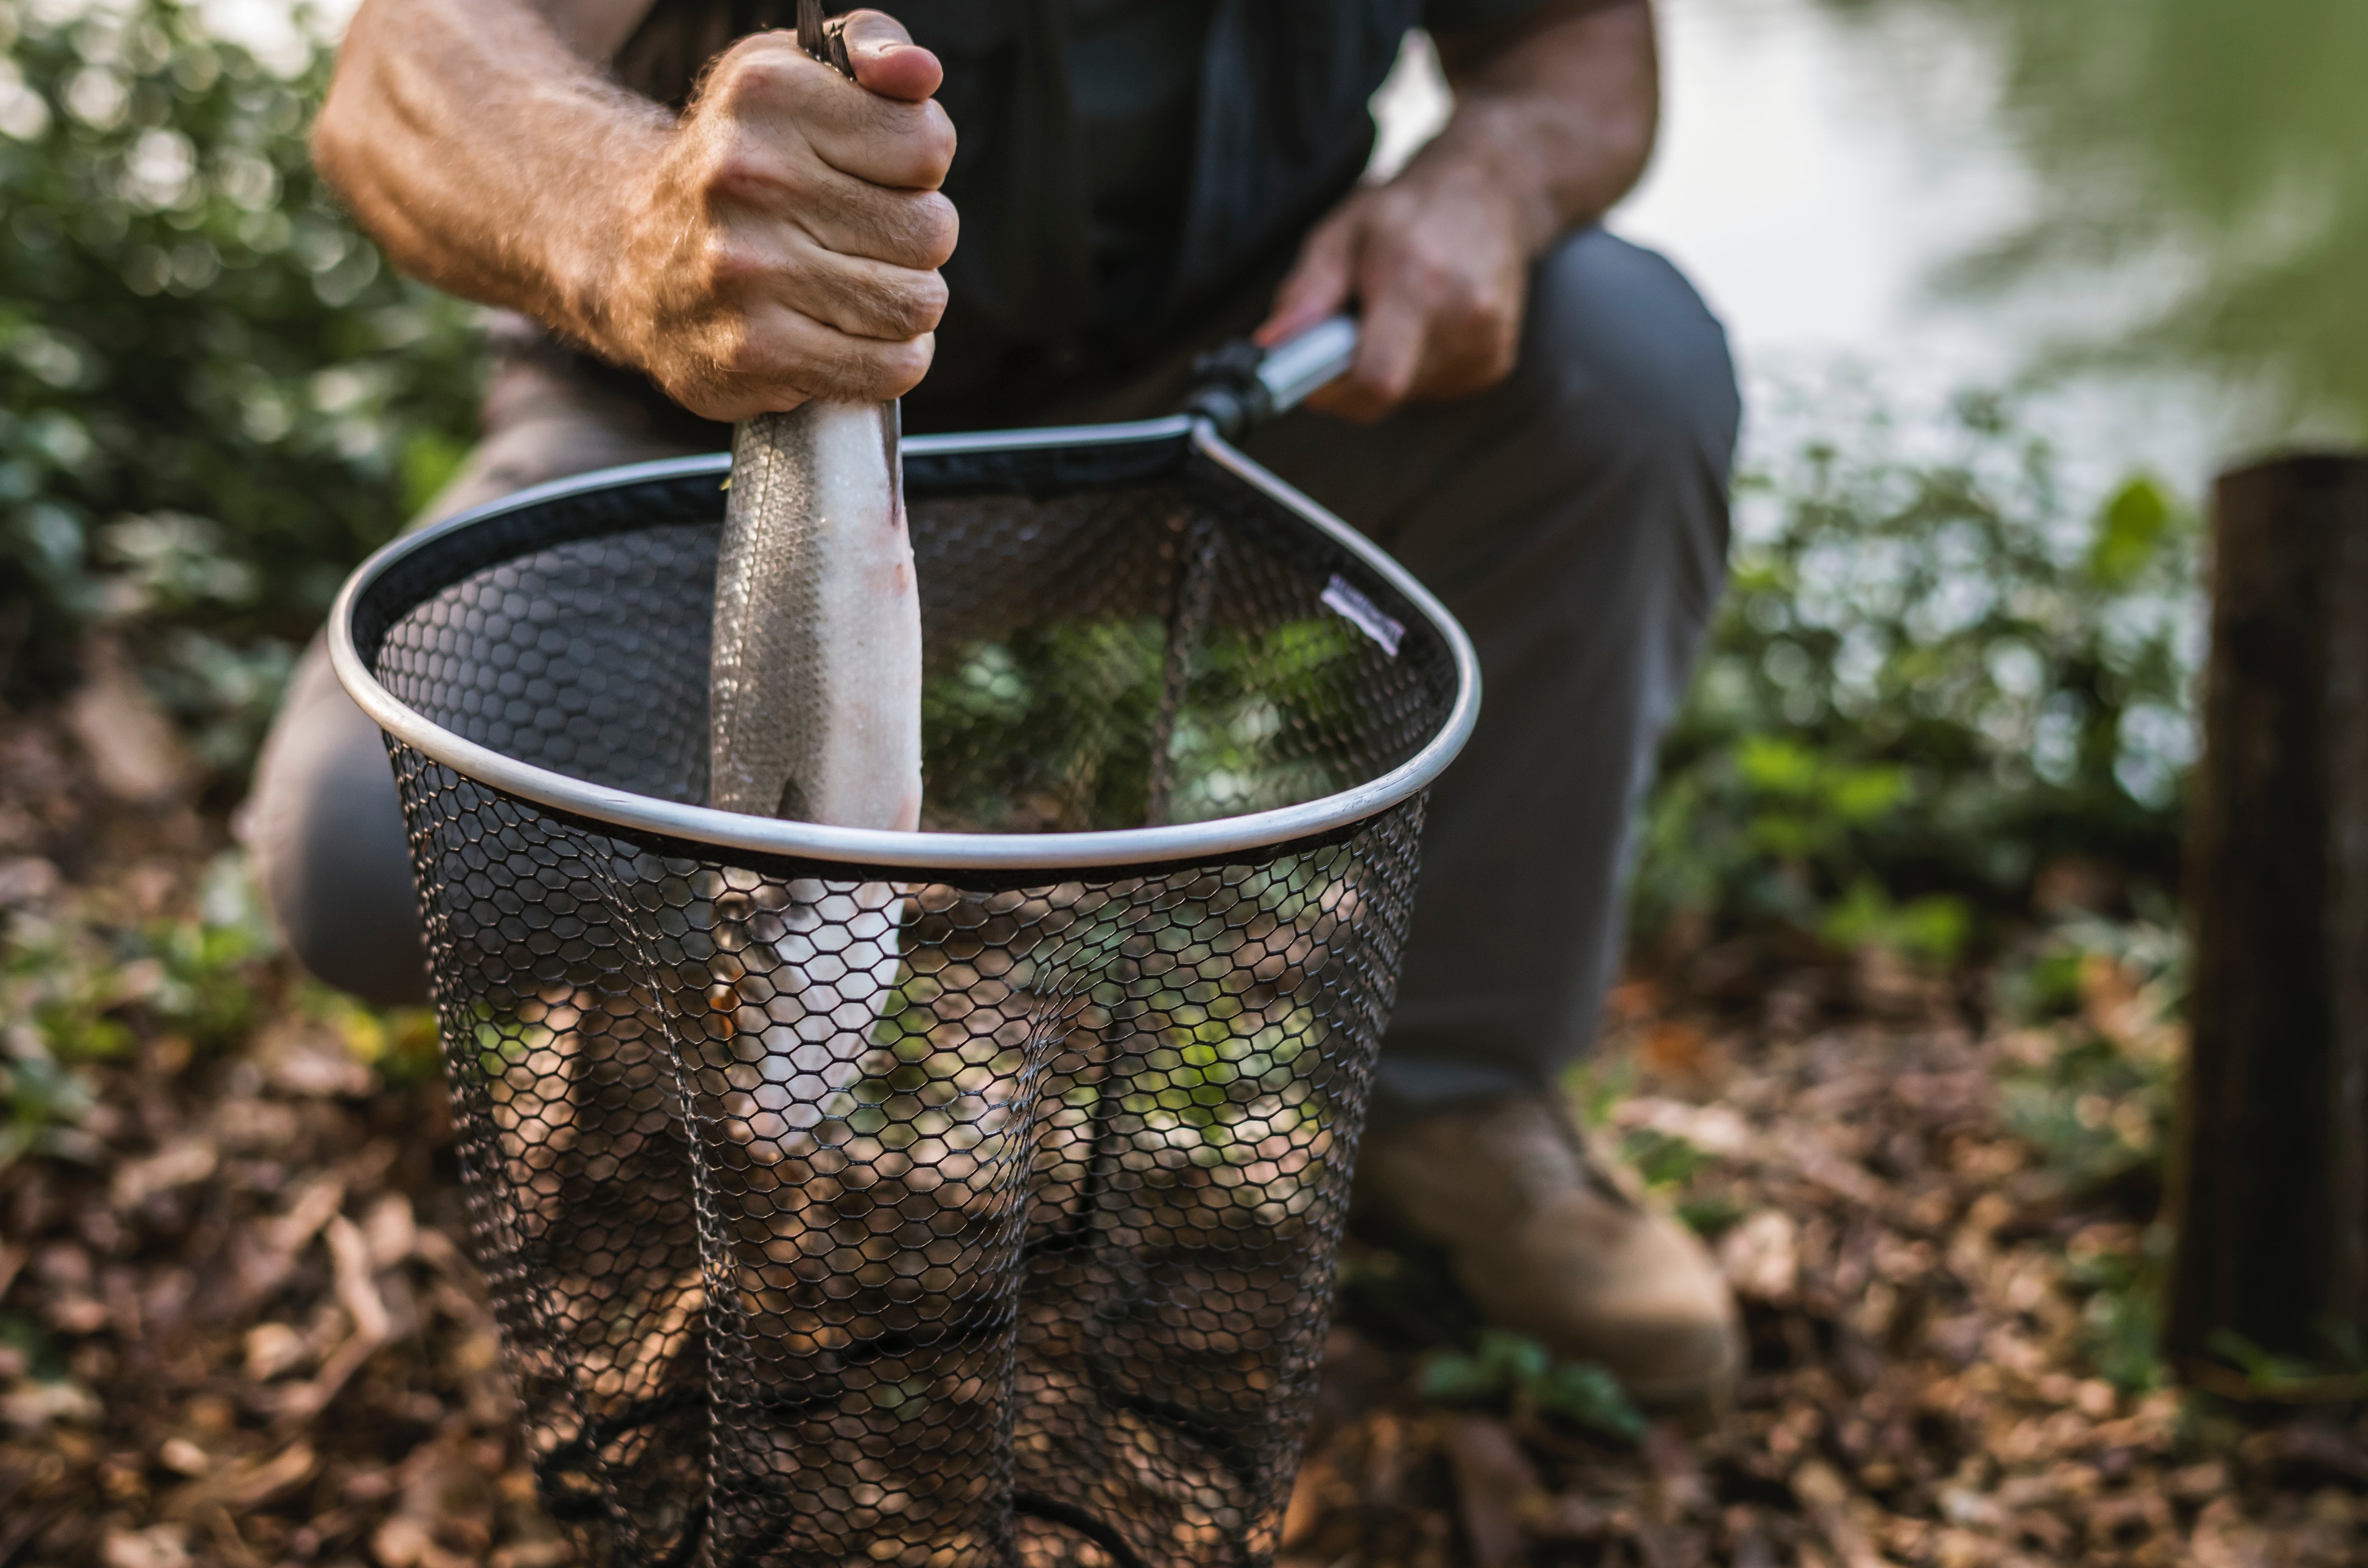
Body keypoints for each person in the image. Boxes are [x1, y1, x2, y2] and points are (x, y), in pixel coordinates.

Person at [272, 0, 1742, 1410]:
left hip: (1236, 393)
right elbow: (405, 65)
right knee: (369, 856)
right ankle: (660, 985)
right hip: (712, 425)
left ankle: (1457, 1105)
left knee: (1621, 361)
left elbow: (1578, 44)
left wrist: (1484, 180)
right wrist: (637, 221)